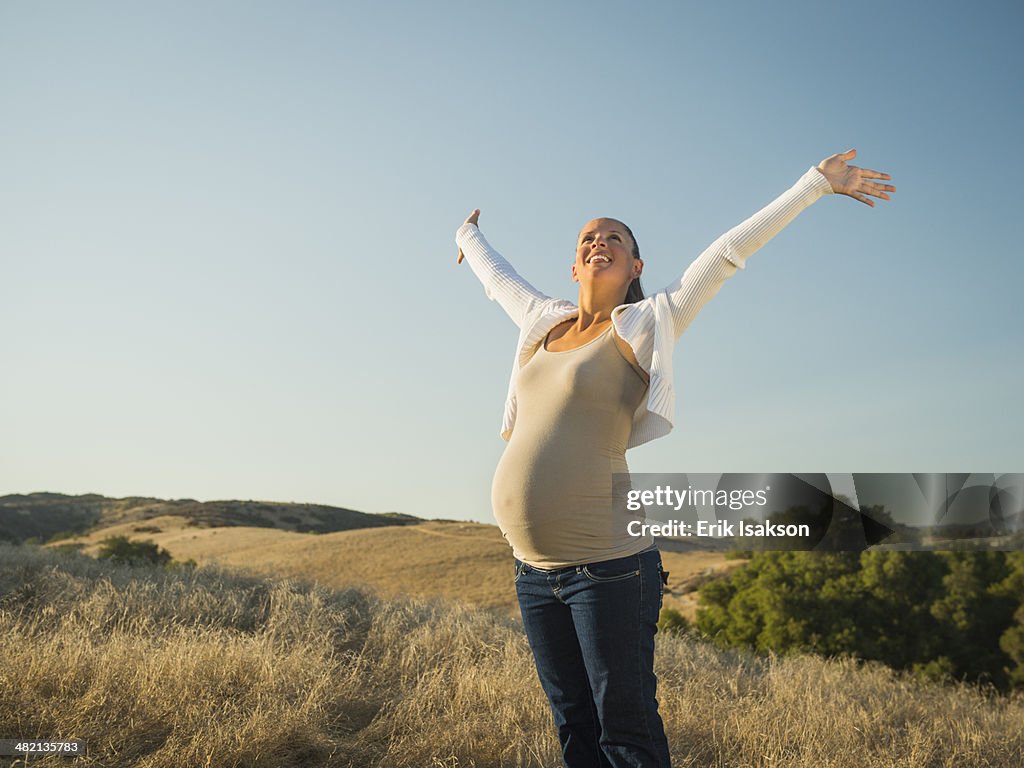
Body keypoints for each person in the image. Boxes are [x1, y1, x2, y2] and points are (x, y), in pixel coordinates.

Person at [454, 149, 894, 768]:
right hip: (533, 573)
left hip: (608, 570)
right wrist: (467, 235)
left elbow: (724, 256)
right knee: (575, 728)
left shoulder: (645, 323)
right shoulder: (541, 321)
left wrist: (812, 185)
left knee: (624, 735)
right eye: (587, 237)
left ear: (635, 264)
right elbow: (496, 277)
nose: (597, 242)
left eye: (614, 238)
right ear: (573, 260)